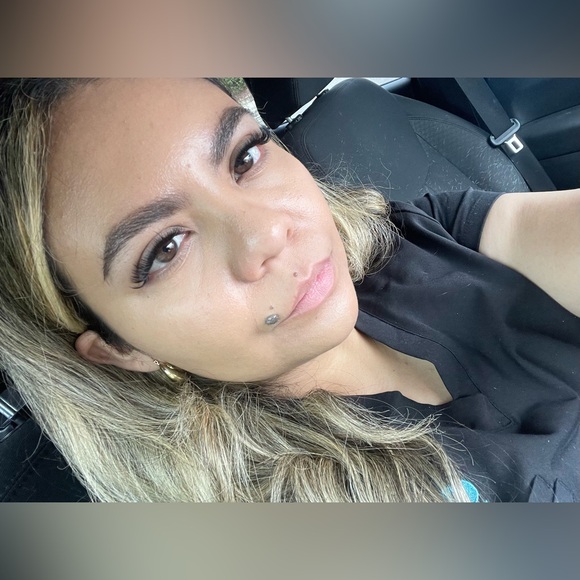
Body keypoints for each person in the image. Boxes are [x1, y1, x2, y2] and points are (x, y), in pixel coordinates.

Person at [0, 78, 578, 502]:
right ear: (120, 348)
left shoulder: (410, 234)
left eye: (245, 157)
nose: (269, 233)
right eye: (166, 248)